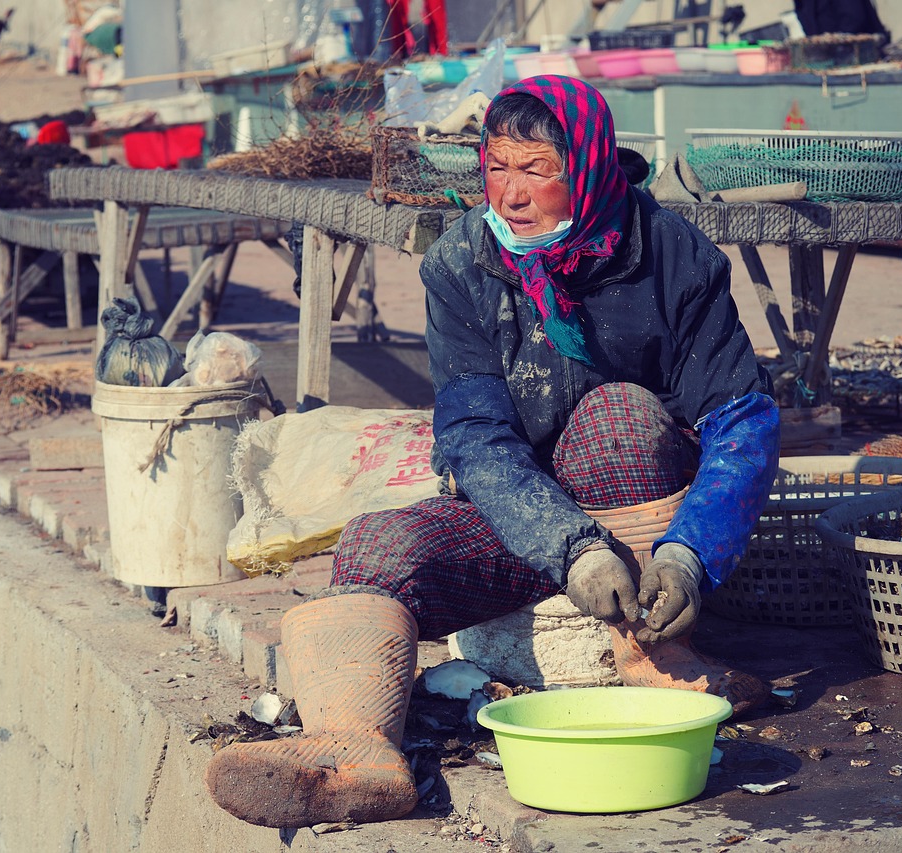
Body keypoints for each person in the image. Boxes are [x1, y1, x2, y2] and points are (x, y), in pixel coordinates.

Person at [204, 75, 781, 829]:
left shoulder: (671, 252)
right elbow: (476, 437)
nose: (510, 194)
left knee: (616, 418)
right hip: (528, 515)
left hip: (640, 510)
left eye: (537, 170)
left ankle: (659, 661)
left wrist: (688, 555)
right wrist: (569, 547)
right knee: (378, 541)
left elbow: (743, 417)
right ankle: (353, 748)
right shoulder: (461, 263)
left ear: (592, 166)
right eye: (497, 167)